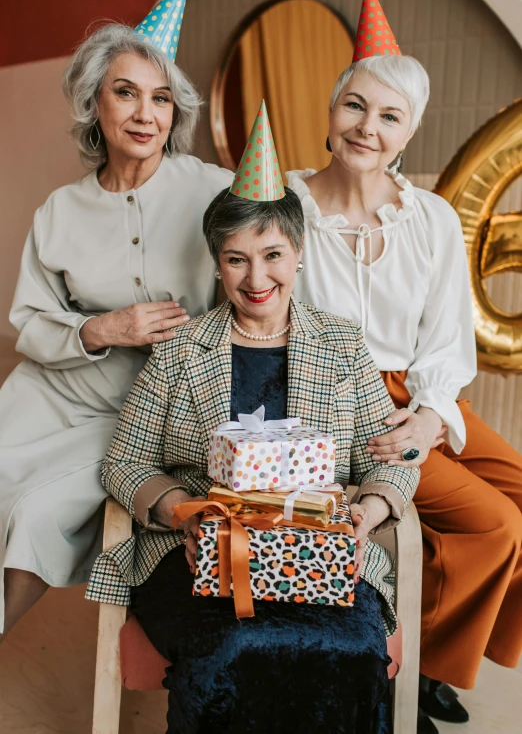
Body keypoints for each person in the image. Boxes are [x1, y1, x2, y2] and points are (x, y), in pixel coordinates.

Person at [86, 105, 420, 734]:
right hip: (196, 560)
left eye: (271, 255)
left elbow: (391, 460)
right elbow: (123, 462)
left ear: (297, 254)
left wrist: (365, 516)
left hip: (322, 555)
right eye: (236, 259)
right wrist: (179, 513)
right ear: (217, 263)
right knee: (233, 647)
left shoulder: (344, 345)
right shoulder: (183, 350)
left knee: (349, 646)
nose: (256, 277)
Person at [288, 0, 522, 734]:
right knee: (493, 524)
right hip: (335, 399)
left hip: (417, 391)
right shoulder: (285, 206)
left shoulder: (431, 218)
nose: (368, 126)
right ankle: (406, 663)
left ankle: (442, 648)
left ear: (408, 132)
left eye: (390, 116)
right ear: (330, 115)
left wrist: (428, 415)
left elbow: (448, 336)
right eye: (355, 105)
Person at [0, 0, 233, 642]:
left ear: (175, 111)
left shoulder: (217, 193)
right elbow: (32, 322)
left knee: (37, 511)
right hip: (48, 396)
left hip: (143, 415)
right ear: (93, 103)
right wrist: (103, 328)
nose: (144, 114)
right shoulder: (59, 211)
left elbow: (277, 261)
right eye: (125, 93)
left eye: (160, 98)